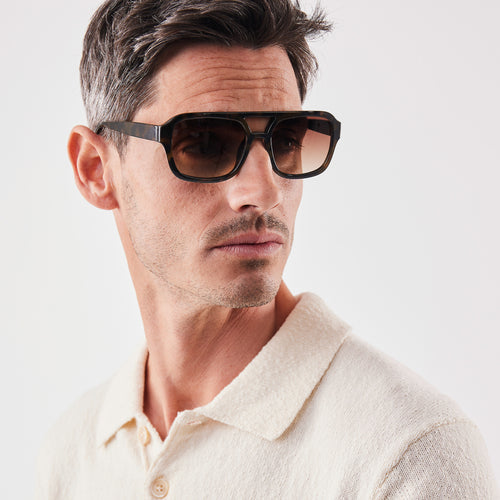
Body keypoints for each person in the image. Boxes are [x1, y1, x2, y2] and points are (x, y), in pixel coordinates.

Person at [35, 0, 498, 498]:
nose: (264, 190)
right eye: (205, 143)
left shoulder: (405, 454)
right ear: (96, 169)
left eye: (285, 140)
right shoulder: (72, 455)